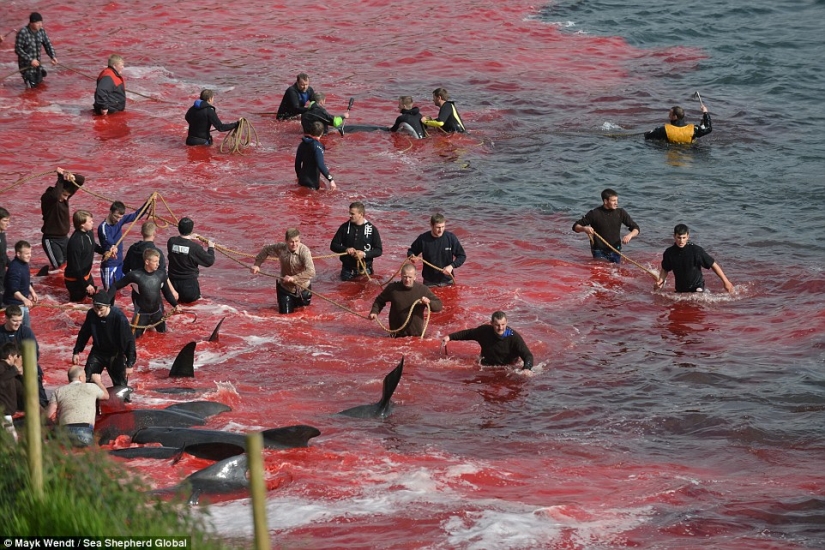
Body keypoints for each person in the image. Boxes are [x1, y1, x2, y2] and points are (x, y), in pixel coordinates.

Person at [72, 290, 137, 388]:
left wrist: (130, 364)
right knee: (86, 381)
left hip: (115, 355)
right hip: (98, 352)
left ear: (108, 306)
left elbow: (129, 341)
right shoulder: (91, 314)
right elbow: (84, 333)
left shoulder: (119, 317)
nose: (98, 313)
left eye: (101, 309)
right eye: (95, 309)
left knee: (121, 387)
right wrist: (76, 351)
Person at [115, 248, 179, 338]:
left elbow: (167, 293)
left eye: (158, 261)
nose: (158, 264)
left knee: (164, 336)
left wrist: (175, 305)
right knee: (133, 340)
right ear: (147, 262)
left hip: (157, 313)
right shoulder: (135, 275)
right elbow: (115, 286)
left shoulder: (161, 275)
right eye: (155, 261)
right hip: (141, 315)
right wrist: (107, 304)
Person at [655, 224, 734, 294]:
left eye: (684, 238)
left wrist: (726, 282)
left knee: (697, 299)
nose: (681, 241)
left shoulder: (696, 251)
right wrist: (660, 281)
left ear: (688, 237)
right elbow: (665, 269)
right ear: (674, 236)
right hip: (680, 289)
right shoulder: (669, 253)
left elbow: (713, 264)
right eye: (679, 238)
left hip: (697, 287)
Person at [251, 229, 315, 314]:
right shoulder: (281, 248)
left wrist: (294, 278)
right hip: (285, 289)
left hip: (303, 289)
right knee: (285, 317)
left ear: (300, 240)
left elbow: (311, 271)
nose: (294, 244)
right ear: (286, 241)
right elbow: (266, 249)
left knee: (303, 316)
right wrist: (257, 264)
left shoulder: (304, 251)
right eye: (291, 242)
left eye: (297, 241)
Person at [442, 311, 534, 370]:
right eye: (497, 325)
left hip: (507, 368)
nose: (500, 328)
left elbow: (527, 355)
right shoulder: (484, 331)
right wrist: (449, 337)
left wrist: (527, 368)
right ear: (492, 323)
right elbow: (468, 333)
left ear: (507, 322)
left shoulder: (513, 336)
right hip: (486, 366)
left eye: (503, 324)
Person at [369, 264, 443, 338]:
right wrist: (374, 311)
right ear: (401, 275)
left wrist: (429, 302)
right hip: (396, 335)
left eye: (410, 277)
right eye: (405, 277)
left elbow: (439, 305)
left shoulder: (423, 290)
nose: (407, 280)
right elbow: (379, 300)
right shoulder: (393, 288)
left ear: (415, 276)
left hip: (415, 336)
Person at [572, 188, 640, 264]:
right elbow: (575, 226)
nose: (616, 203)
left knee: (615, 270)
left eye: (617, 200)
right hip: (599, 250)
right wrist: (584, 228)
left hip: (615, 250)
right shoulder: (594, 213)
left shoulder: (621, 213)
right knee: (600, 270)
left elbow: (636, 228)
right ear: (605, 201)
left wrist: (629, 236)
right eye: (613, 201)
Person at [46, 366, 109, 448]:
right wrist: (98, 381)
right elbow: (106, 396)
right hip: (85, 430)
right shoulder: (91, 387)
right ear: (80, 377)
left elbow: (50, 415)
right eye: (85, 376)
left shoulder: (58, 391)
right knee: (85, 453)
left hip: (65, 431)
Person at [0, 305, 48, 408]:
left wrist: (23, 367)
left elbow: (34, 352)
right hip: (7, 369)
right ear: (6, 318)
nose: (18, 323)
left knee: (39, 395)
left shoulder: (25, 331)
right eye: (14, 321)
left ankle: (42, 405)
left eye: (20, 320)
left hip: (26, 366)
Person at [98, 200, 149, 290]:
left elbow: (137, 215)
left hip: (120, 264)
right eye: (116, 216)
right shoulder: (103, 227)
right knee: (109, 292)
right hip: (109, 265)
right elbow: (107, 238)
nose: (118, 220)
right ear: (110, 212)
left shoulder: (120, 221)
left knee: (121, 290)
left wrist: (148, 203)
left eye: (120, 218)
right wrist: (113, 245)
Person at [66, 210, 114, 303]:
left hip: (86, 276)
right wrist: (86, 285)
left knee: (94, 300)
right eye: (90, 221)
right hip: (75, 280)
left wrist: (105, 252)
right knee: (77, 304)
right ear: (82, 224)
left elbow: (93, 245)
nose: (93, 222)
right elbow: (75, 267)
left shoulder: (89, 232)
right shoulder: (75, 242)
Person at [41, 167, 84, 270]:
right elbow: (55, 196)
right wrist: (60, 177)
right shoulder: (48, 199)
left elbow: (81, 180)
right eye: (64, 195)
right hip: (51, 239)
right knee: (59, 265)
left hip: (64, 238)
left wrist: (73, 176)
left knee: (70, 263)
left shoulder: (64, 198)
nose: (65, 198)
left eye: (67, 196)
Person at [407, 213, 467, 287]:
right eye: (438, 227)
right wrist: (412, 257)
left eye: (443, 227)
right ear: (431, 225)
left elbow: (462, 256)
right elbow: (411, 251)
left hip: (448, 281)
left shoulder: (451, 238)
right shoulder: (423, 239)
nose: (440, 230)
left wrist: (451, 266)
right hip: (429, 282)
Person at [330, 202, 383, 281]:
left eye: (352, 214)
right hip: (347, 270)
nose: (350, 216)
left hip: (365, 270)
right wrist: (346, 249)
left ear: (361, 214)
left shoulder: (372, 229)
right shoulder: (344, 227)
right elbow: (333, 245)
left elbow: (378, 250)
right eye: (349, 213)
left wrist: (364, 254)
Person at [167, 217, 215, 303]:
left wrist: (190, 237)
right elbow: (209, 261)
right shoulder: (195, 247)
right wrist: (211, 248)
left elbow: (182, 246)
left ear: (178, 228)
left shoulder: (171, 242)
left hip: (172, 288)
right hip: (189, 288)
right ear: (191, 229)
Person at [15, 12, 57, 89]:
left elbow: (47, 44)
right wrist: (30, 60)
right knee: (31, 89)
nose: (40, 25)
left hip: (38, 67)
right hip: (26, 67)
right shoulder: (23, 32)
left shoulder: (41, 31)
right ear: (31, 23)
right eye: (37, 23)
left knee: (40, 88)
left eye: (41, 23)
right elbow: (18, 49)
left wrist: (53, 56)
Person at [2, 241, 38, 327]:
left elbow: (25, 281)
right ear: (18, 254)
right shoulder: (15, 268)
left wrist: (32, 292)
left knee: (26, 329)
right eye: (26, 254)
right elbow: (13, 290)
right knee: (19, 329)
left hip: (22, 303)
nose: (29, 256)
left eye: (30, 253)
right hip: (14, 305)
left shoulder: (24, 264)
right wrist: (24, 299)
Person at [295, 121, 336, 191]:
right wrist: (331, 179)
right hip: (312, 183)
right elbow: (320, 165)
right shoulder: (317, 146)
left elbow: (297, 163)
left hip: (302, 180)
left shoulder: (302, 144)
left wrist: (299, 177)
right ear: (321, 133)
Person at [644, 104, 712, 144]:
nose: (668, 116)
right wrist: (705, 113)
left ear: (675, 117)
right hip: (688, 153)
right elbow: (708, 128)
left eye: (670, 114)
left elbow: (647, 136)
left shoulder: (664, 130)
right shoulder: (693, 129)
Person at [0, 343, 24, 442]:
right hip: (3, 414)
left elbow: (21, 389)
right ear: (10, 356)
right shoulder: (1, 367)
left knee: (11, 441)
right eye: (16, 357)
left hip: (6, 414)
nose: (17, 360)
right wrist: (15, 368)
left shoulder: (9, 372)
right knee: (12, 442)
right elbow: (1, 380)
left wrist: (20, 375)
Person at [0, 207, 9, 297]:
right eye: (5, 221)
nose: (7, 223)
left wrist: (13, 265)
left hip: (2, 273)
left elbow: (3, 254)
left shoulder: (2, 234)